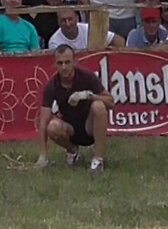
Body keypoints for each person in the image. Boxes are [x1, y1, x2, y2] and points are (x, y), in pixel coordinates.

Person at [34, 44, 114, 173]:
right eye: (60, 63)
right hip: (70, 129)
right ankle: (72, 151)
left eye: (67, 62)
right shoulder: (51, 86)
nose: (64, 67)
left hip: (90, 127)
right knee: (52, 126)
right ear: (55, 64)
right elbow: (43, 121)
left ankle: (98, 160)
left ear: (74, 62)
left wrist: (89, 96)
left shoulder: (87, 77)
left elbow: (111, 102)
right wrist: (42, 156)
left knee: (98, 106)